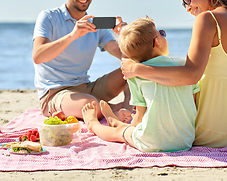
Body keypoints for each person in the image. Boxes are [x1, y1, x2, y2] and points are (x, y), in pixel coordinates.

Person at [121, 0, 227, 148]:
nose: (187, 7)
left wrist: (137, 69)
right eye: (183, 3)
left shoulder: (207, 19)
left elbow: (191, 75)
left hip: (210, 128)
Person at [82, 18, 200, 152]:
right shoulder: (184, 66)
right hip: (185, 140)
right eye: (162, 33)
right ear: (157, 42)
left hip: (151, 143)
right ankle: (113, 122)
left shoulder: (136, 75)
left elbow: (139, 117)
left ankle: (94, 124)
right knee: (127, 129)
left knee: (119, 133)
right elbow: (193, 102)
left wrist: (129, 129)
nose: (163, 35)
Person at [32, 0, 132, 121]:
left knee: (133, 68)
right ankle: (113, 109)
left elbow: (124, 57)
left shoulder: (93, 24)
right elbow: (38, 56)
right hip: (55, 93)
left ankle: (126, 109)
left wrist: (124, 37)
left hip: (86, 88)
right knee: (91, 104)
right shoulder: (49, 17)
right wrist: (72, 36)